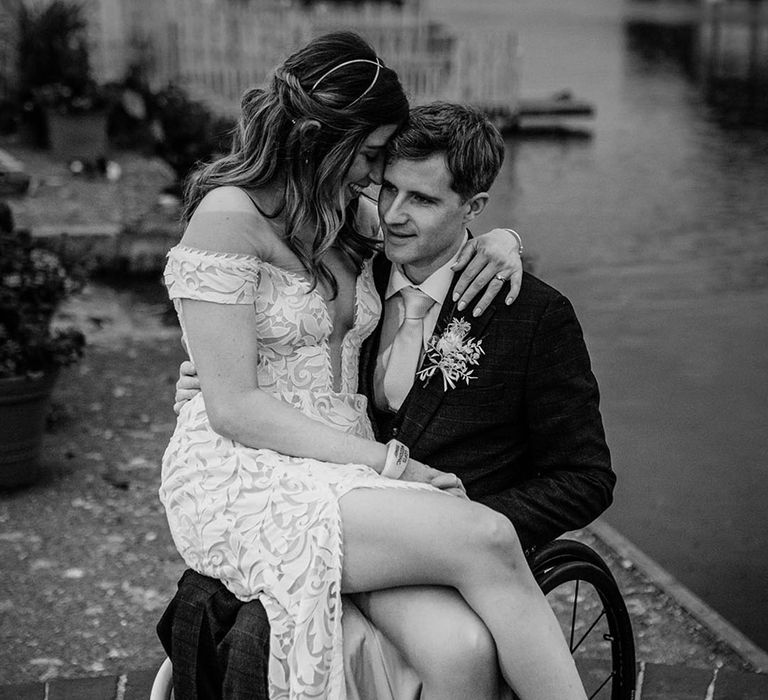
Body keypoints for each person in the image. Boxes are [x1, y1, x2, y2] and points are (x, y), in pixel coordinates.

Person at [158, 32, 589, 700]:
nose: (376, 184)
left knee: (462, 649)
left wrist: (505, 240)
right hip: (256, 472)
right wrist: (391, 465)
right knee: (490, 537)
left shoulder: (344, 212)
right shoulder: (226, 217)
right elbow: (235, 405)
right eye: (368, 158)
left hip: (338, 459)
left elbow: (444, 218)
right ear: (317, 137)